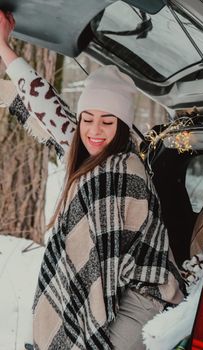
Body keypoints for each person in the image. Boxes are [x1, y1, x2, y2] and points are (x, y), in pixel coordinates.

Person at [0, 11, 185, 350]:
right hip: (109, 286)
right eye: (87, 119)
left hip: (145, 295)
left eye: (107, 122)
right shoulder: (87, 152)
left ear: (122, 126)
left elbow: (100, 268)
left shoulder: (122, 171)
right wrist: (4, 48)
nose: (94, 131)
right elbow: (46, 106)